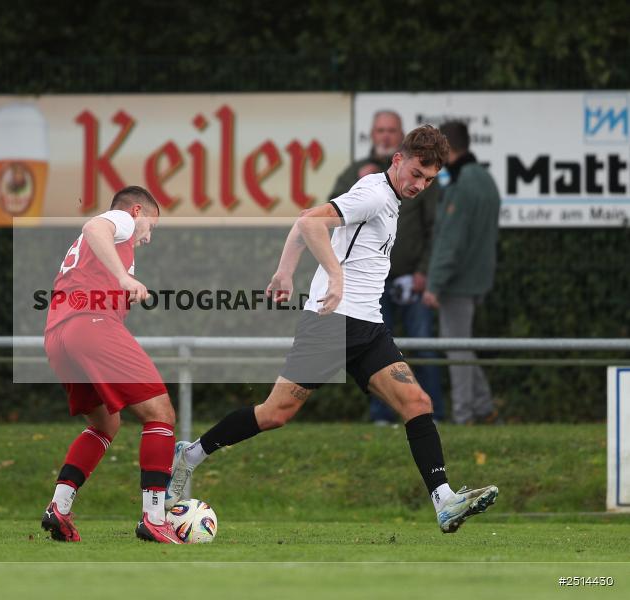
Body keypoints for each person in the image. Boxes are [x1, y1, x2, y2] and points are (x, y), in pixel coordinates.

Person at [167, 125, 498, 534]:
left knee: (417, 401)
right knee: (275, 414)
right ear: (398, 160)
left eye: (428, 180)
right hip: (331, 324)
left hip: (368, 327)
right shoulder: (375, 193)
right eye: (415, 173)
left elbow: (306, 221)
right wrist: (335, 277)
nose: (419, 185)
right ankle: (191, 454)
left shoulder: (389, 197)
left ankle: (444, 501)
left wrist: (285, 271)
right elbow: (311, 222)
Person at [40, 185, 182, 544]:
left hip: (59, 334)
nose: (148, 236)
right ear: (137, 211)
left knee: (105, 423)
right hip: (90, 323)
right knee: (160, 413)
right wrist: (123, 277)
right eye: (151, 225)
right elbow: (94, 227)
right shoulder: (120, 219)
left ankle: (59, 507)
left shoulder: (105, 249)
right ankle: (154, 518)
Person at [331, 111, 444, 424]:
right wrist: (356, 187)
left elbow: (435, 227)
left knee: (422, 346)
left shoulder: (420, 173)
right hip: (369, 286)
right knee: (375, 351)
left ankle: (430, 414)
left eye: (391, 130)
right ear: (372, 134)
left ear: (400, 139)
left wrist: (424, 271)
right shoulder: (358, 173)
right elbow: (327, 215)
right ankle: (382, 416)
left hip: (410, 278)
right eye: (379, 130)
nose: (384, 135)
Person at [423, 121, 501, 425]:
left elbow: (451, 241)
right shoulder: (485, 179)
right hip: (477, 278)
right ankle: (484, 408)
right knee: (462, 344)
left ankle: (465, 415)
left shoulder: (462, 183)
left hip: (458, 281)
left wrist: (435, 283)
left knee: (456, 348)